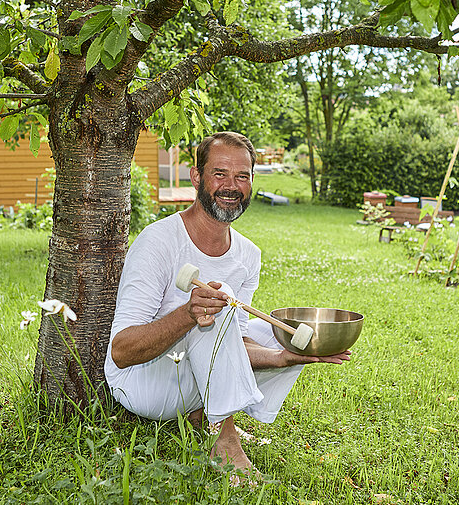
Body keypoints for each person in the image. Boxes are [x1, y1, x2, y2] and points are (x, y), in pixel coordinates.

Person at [105, 131, 350, 478]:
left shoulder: (248, 255)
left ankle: (205, 414)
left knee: (278, 331)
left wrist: (281, 357)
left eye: (242, 176)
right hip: (143, 383)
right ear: (196, 177)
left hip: (192, 381)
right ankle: (225, 439)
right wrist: (187, 314)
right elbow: (121, 352)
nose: (231, 186)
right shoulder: (158, 242)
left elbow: (236, 342)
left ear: (252, 182)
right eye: (219, 173)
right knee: (214, 310)